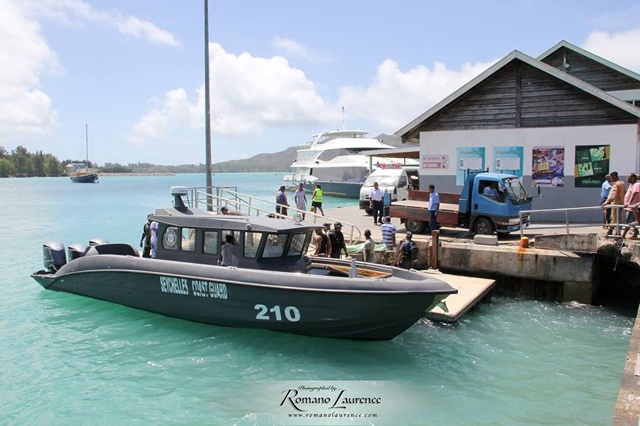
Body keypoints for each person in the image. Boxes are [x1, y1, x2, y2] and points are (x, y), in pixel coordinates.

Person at [603, 171, 626, 236]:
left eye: (611, 177)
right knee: (618, 218)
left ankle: (611, 231)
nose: (610, 179)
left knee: (614, 217)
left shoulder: (616, 184)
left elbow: (612, 194)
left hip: (616, 203)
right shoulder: (622, 183)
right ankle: (617, 232)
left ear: (615, 176)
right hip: (621, 203)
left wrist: (606, 202)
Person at [622, 173, 640, 239]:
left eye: (628, 178)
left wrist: (629, 203)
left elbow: (634, 194)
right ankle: (635, 234)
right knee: (633, 221)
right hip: (630, 207)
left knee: (628, 221)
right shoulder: (631, 185)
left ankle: (623, 235)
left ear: (632, 178)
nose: (627, 179)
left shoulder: (636, 184)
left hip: (632, 207)